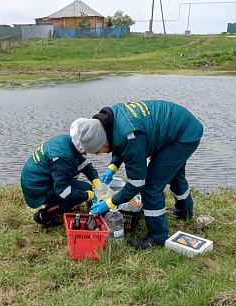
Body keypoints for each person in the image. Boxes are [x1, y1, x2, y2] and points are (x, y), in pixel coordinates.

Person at [75, 100, 203, 249]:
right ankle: (184, 212)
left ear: (103, 141)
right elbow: (118, 143)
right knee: (173, 174)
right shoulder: (109, 120)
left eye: (97, 151)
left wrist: (109, 203)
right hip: (176, 127)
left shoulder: (130, 135)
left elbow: (137, 183)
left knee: (151, 187)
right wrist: (112, 167)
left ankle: (157, 237)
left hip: (183, 135)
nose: (97, 154)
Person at [20, 123, 101, 227]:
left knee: (86, 187)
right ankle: (44, 214)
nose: (94, 152)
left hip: (41, 180)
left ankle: (60, 205)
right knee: (76, 195)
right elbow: (63, 191)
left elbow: (85, 165)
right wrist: (88, 195)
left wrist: (95, 180)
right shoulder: (62, 159)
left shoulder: (68, 141)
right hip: (37, 188)